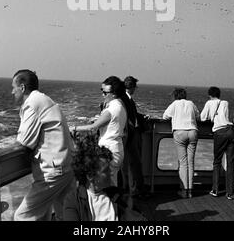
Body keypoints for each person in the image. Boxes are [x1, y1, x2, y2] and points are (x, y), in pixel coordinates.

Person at [12, 69, 75, 221]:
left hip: (54, 171)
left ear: (22, 87)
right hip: (66, 166)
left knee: (22, 217)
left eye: (13, 87)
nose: (11, 92)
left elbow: (24, 142)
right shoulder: (44, 100)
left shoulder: (33, 103)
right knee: (64, 215)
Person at [64, 132, 146, 221]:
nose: (111, 173)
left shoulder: (119, 196)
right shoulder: (73, 201)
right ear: (90, 176)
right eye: (106, 170)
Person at [72, 76, 127, 187]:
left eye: (105, 92)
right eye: (102, 91)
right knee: (111, 186)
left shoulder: (111, 109)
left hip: (109, 151)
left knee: (101, 188)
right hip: (117, 149)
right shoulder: (121, 106)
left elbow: (93, 127)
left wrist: (74, 128)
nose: (102, 95)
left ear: (114, 93)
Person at [163, 87, 199, 198]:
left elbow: (165, 116)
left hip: (179, 132)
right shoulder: (191, 103)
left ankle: (184, 191)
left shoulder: (174, 104)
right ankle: (190, 191)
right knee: (190, 162)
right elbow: (198, 116)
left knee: (183, 163)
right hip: (193, 131)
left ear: (175, 95)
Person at [200, 86, 234, 199]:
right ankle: (230, 192)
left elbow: (202, 118)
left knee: (217, 162)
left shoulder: (209, 103)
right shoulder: (225, 102)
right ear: (219, 94)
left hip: (219, 132)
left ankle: (215, 189)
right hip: (231, 131)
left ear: (209, 95)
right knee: (230, 163)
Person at [120, 76, 149, 199]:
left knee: (131, 163)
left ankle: (133, 189)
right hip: (131, 134)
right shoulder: (125, 99)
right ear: (131, 87)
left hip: (129, 133)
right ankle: (136, 190)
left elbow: (131, 114)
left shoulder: (125, 98)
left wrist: (141, 117)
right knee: (135, 163)